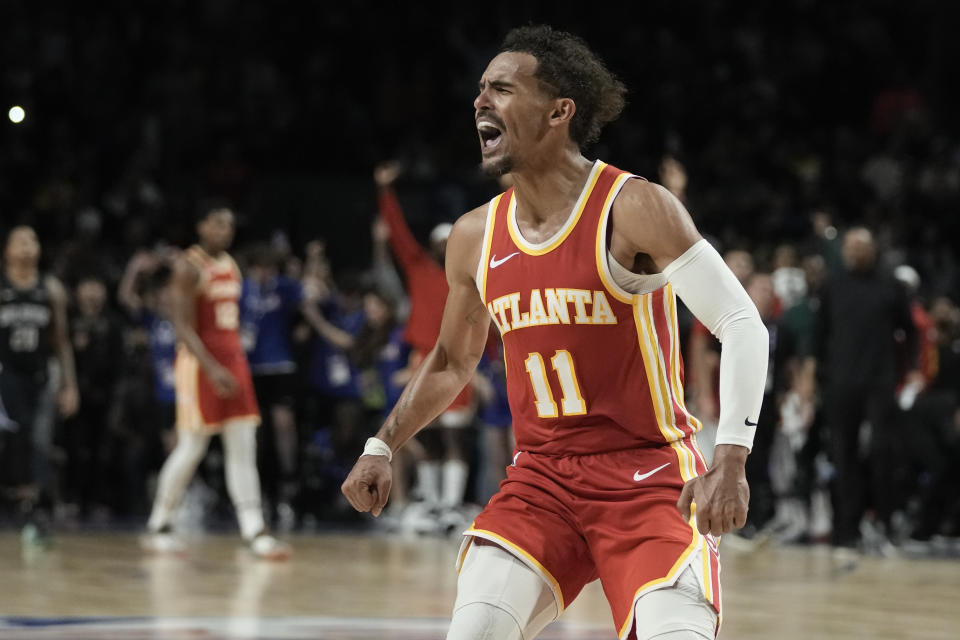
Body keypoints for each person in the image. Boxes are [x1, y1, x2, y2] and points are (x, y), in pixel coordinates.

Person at [342, 26, 769, 640]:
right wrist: (381, 446)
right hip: (541, 479)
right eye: (479, 90)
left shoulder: (634, 206)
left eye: (502, 88)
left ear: (559, 111)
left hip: (648, 480)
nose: (480, 101)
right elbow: (449, 362)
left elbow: (740, 324)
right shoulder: (473, 236)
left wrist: (731, 454)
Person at [141, 204, 290, 560]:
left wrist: (231, 365)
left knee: (243, 444)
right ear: (201, 225)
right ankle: (160, 523)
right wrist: (212, 368)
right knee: (192, 446)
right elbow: (182, 326)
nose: (225, 230)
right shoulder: (188, 267)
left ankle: (254, 529)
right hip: (199, 365)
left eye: (229, 224)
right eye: (217, 223)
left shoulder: (231, 263)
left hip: (232, 360)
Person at [0, 225, 79, 547]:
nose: (28, 246)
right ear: (7, 251)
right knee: (14, 442)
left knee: (41, 443)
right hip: (5, 376)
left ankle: (40, 512)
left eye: (33, 239)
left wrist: (70, 385)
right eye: (20, 240)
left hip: (40, 375)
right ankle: (19, 501)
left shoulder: (51, 289)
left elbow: (61, 342)